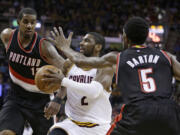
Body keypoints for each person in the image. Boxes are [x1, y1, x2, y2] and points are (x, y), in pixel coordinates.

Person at [48, 17, 180, 135]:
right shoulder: (167, 56)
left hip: (138, 112)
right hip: (169, 112)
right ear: (146, 36)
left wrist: (65, 48)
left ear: (125, 37)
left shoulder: (117, 57)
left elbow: (80, 61)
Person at [0, 8, 66, 135]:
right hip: (15, 96)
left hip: (41, 100)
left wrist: (58, 99)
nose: (29, 25)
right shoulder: (7, 36)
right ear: (18, 22)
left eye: (33, 22)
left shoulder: (44, 46)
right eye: (25, 21)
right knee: (5, 133)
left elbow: (67, 70)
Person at [44, 31, 114, 135]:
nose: (81, 43)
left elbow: (94, 91)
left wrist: (64, 81)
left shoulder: (105, 68)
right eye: (81, 40)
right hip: (72, 124)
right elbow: (63, 84)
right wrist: (58, 99)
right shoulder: (69, 64)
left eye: (87, 41)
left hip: (98, 128)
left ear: (98, 47)